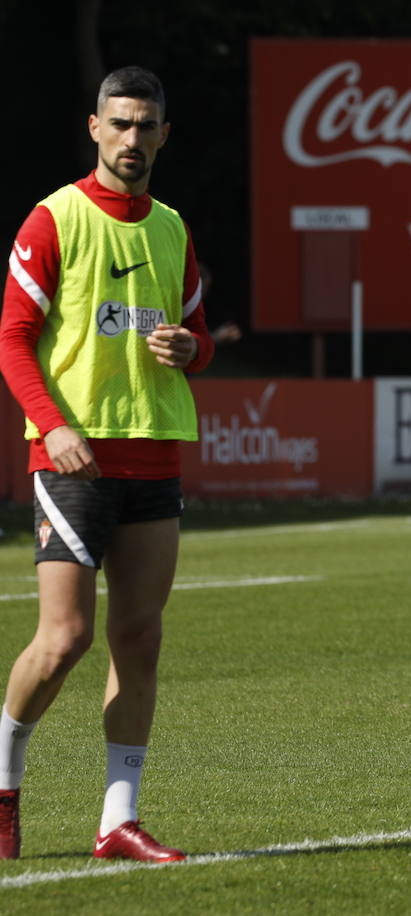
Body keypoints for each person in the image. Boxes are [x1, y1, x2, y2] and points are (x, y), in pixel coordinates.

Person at [0, 66, 215, 862]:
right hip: (73, 458)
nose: (132, 138)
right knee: (64, 640)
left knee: (141, 637)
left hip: (154, 453)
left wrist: (196, 348)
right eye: (118, 123)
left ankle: (116, 821)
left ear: (164, 133)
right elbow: (12, 337)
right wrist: (51, 427)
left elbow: (198, 334)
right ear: (93, 128)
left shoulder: (171, 227)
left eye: (146, 124)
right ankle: (2, 786)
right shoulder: (53, 218)